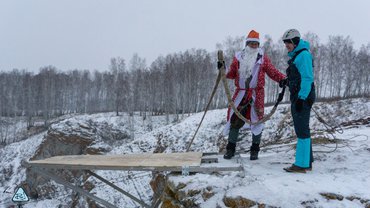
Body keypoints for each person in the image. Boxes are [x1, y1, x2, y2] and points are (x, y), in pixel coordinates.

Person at [218, 30, 286, 160]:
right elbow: (231, 74)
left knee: (257, 122)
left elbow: (272, 71)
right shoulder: (238, 58)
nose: (254, 46)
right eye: (251, 44)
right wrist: (223, 68)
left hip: (256, 94)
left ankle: (254, 151)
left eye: (256, 44)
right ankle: (230, 150)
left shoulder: (263, 58)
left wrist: (282, 79)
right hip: (241, 94)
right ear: (247, 44)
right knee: (234, 120)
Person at [281, 29, 316, 173]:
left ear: (295, 41)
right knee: (303, 128)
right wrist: (286, 82)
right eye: (285, 43)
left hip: (303, 97)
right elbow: (297, 78)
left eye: (288, 43)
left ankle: (301, 164)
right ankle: (307, 160)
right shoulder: (298, 56)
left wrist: (302, 98)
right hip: (299, 95)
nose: (286, 46)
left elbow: (308, 78)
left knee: (301, 129)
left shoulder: (303, 56)